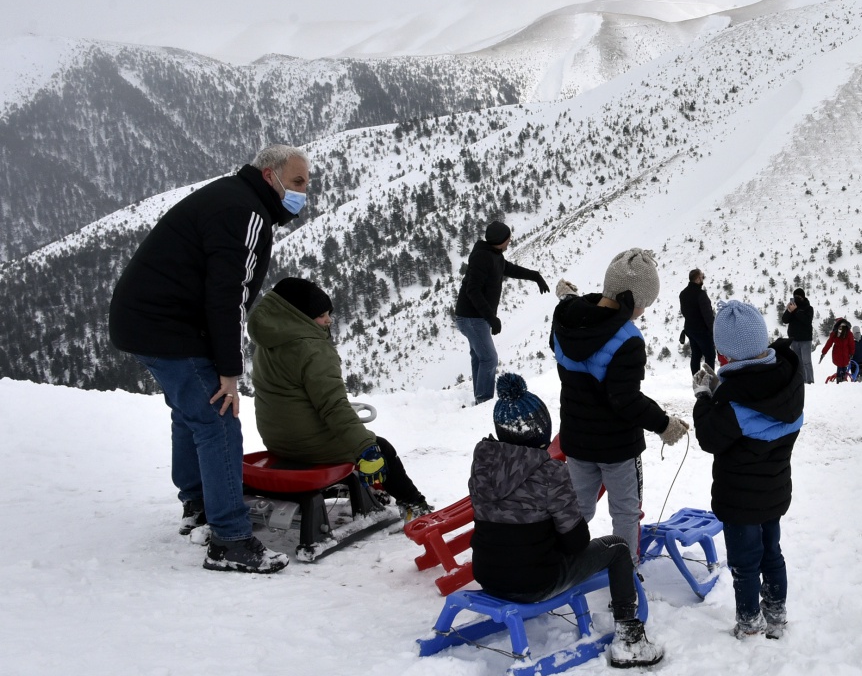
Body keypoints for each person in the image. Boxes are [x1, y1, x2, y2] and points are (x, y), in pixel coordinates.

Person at [108, 143, 311, 573]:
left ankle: (198, 504)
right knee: (218, 418)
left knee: (192, 414)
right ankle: (231, 539)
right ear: (269, 175)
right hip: (168, 326)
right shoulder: (248, 213)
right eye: (296, 182)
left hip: (146, 321)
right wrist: (229, 371)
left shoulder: (233, 197)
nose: (302, 192)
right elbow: (228, 296)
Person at [468, 373, 663, 668]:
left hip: (487, 575)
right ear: (542, 431)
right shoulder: (550, 473)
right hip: (536, 582)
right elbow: (576, 542)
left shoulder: (482, 462)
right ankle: (629, 637)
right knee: (619, 549)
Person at [248, 277, 431, 521]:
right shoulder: (312, 348)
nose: (328, 320)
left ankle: (376, 489)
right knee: (381, 448)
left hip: (278, 439)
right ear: (299, 316)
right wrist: (366, 447)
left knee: (358, 439)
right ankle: (415, 505)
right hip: (308, 444)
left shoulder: (269, 341)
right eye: (321, 315)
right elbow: (333, 407)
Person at [552, 248, 690, 564]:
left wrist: (570, 298)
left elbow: (580, 321)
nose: (643, 310)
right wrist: (663, 423)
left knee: (578, 509)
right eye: (643, 304)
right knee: (626, 510)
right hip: (616, 447)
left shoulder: (565, 322)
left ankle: (558, 561)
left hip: (576, 439)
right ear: (633, 300)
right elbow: (624, 400)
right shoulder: (628, 339)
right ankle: (625, 573)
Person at [693, 301, 803, 639]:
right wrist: (720, 394)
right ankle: (776, 612)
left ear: (724, 357)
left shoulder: (735, 399)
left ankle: (750, 621)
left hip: (740, 500)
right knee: (772, 553)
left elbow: (710, 436)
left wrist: (703, 396)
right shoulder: (787, 380)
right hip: (774, 490)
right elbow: (750, 409)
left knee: (744, 563)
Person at [454, 221, 549, 405]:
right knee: (489, 358)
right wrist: (491, 318)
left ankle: (480, 397)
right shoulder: (483, 257)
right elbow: (472, 290)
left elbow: (508, 268)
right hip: (472, 318)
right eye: (508, 239)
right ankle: (484, 401)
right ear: (500, 241)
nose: (510, 242)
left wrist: (535, 276)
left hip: (475, 317)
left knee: (480, 357)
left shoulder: (494, 254)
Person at [679, 268, 716, 373]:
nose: (703, 278)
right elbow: (707, 315)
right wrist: (713, 331)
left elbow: (684, 312)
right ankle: (709, 380)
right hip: (702, 331)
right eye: (702, 276)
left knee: (696, 355)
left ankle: (696, 379)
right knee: (710, 355)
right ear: (698, 278)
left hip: (690, 329)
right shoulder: (701, 294)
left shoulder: (683, 293)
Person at [779, 289, 816, 384]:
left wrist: (795, 311)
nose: (797, 298)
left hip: (805, 339)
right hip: (794, 339)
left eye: (798, 297)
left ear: (803, 297)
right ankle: (801, 380)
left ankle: (810, 381)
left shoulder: (808, 308)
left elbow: (807, 321)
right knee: (798, 362)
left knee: (806, 361)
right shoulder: (792, 308)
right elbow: (784, 320)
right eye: (795, 296)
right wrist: (788, 311)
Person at [818, 318, 855, 383]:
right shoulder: (849, 333)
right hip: (846, 354)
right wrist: (852, 353)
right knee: (844, 367)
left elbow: (829, 343)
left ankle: (839, 380)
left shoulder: (835, 333)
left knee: (839, 367)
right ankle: (844, 380)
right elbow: (852, 344)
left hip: (837, 354)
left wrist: (823, 352)